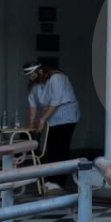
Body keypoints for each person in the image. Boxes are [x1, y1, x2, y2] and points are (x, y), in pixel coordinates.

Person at [23, 61, 80, 192]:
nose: (30, 78)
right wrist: (31, 125)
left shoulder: (56, 78)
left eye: (32, 75)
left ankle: (60, 182)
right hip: (52, 117)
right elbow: (33, 106)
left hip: (67, 115)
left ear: (39, 71)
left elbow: (55, 102)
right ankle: (51, 179)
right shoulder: (35, 85)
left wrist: (42, 120)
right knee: (51, 148)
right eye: (28, 76)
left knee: (61, 148)